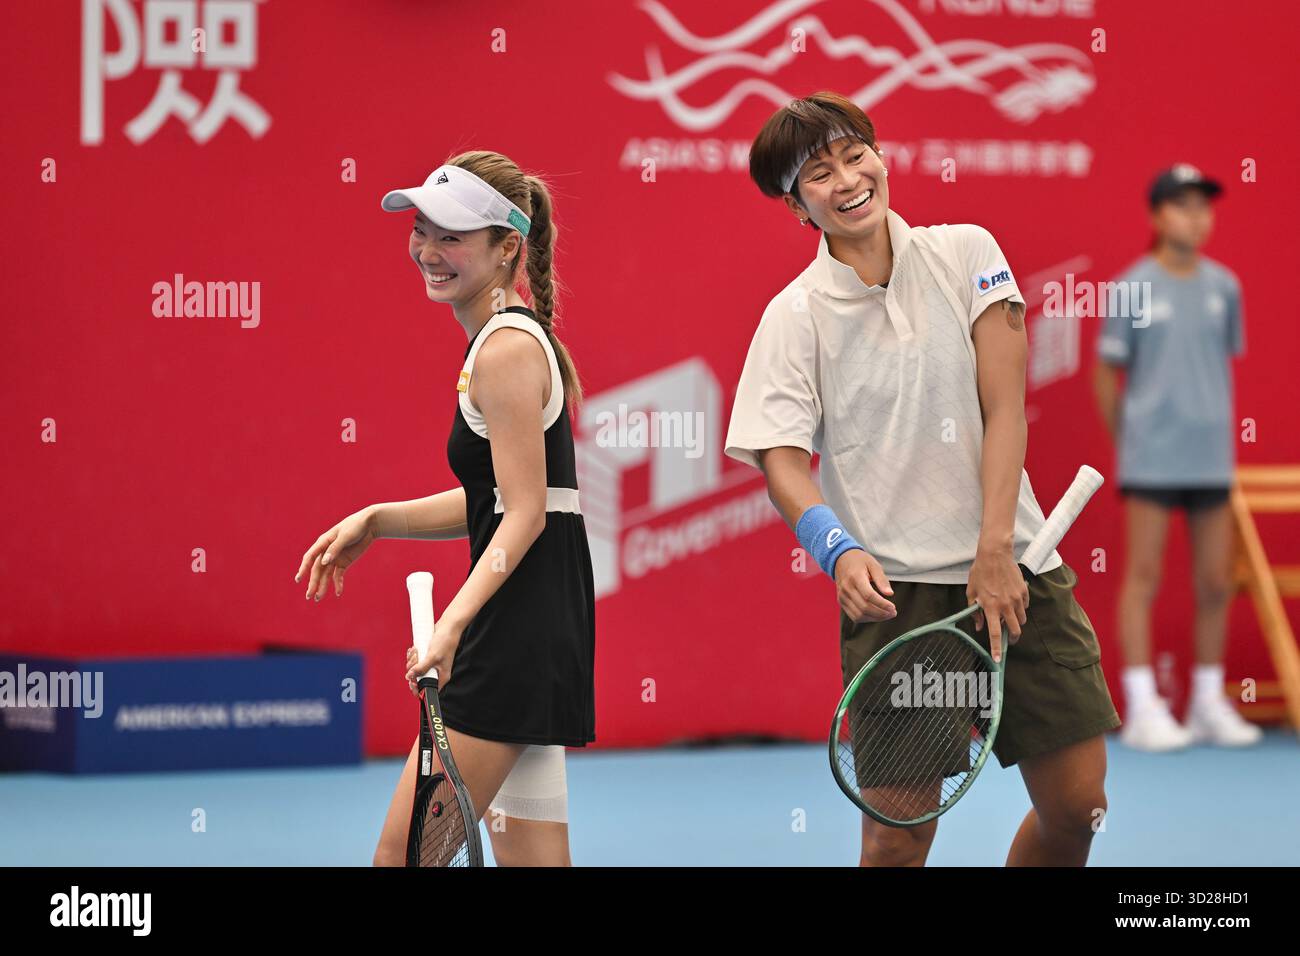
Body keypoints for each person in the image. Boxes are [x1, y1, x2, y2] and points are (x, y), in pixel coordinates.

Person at [724, 91, 1120, 866]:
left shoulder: (968, 252)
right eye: (817, 175)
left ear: (878, 155)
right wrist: (837, 550)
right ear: (797, 205)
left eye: (853, 155)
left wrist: (996, 549)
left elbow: (1006, 407)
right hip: (902, 606)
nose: (846, 180)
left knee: (1080, 809)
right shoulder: (794, 316)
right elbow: (781, 463)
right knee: (898, 842)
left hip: (1018, 573)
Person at [294, 151, 596, 865]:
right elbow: (507, 499)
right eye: (422, 230)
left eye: (453, 236)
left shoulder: (506, 351)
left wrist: (454, 625)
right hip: (537, 629)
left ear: (507, 248)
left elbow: (522, 515)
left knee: (399, 861)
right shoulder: (504, 338)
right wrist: (381, 518)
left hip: (513, 639)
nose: (429, 251)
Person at [1093, 164, 1258, 751]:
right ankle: (1143, 705)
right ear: (1158, 216)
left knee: (1216, 581)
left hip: (1211, 458)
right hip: (1152, 462)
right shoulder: (1132, 287)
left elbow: (1217, 365)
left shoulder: (1224, 287)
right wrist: (1132, 443)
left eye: (1205, 207)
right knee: (1143, 577)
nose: (1198, 217)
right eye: (1184, 206)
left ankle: (1209, 700)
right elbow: (1107, 375)